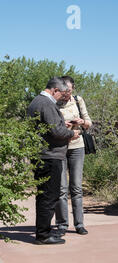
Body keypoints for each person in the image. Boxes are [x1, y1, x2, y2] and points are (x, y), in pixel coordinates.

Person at [27, 77, 80, 245]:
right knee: (49, 196)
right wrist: (72, 134)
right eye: (62, 94)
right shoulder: (47, 103)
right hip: (49, 156)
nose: (63, 97)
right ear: (55, 90)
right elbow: (55, 132)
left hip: (43, 155)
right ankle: (43, 235)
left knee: (45, 196)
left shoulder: (36, 101)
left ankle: (44, 231)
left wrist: (61, 123)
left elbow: (49, 126)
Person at [55, 76, 92, 236]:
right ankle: (62, 225)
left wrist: (81, 122)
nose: (67, 94)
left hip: (77, 147)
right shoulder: (54, 102)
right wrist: (64, 125)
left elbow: (89, 123)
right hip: (60, 147)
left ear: (73, 89)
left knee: (76, 187)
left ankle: (79, 224)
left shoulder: (78, 100)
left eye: (69, 90)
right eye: (65, 91)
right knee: (61, 188)